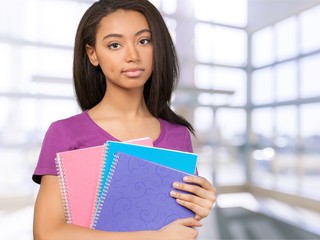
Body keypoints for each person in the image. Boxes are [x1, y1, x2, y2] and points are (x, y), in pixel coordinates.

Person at [32, 0, 216, 239]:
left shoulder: (178, 134)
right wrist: (151, 237)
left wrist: (199, 206)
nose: (132, 55)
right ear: (92, 54)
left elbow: (180, 229)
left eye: (143, 41)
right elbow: (46, 233)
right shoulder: (66, 133)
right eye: (115, 45)